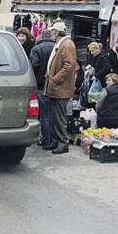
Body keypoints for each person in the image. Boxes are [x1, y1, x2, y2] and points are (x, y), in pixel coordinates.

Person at [42, 21, 77, 154]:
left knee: (59, 118)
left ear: (57, 32)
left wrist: (55, 79)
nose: (51, 33)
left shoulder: (67, 44)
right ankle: (56, 141)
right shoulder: (62, 43)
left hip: (60, 88)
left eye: (52, 31)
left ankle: (63, 142)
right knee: (53, 117)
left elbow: (69, 65)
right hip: (56, 88)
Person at [30, 29, 57, 149]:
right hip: (56, 84)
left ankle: (46, 140)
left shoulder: (36, 49)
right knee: (54, 115)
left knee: (44, 115)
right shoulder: (57, 47)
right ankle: (55, 140)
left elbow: (34, 65)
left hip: (41, 84)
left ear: (41, 37)